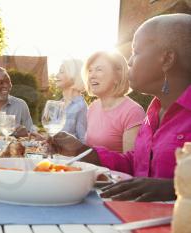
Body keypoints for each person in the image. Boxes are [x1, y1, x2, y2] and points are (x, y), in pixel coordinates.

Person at [48, 13, 191, 202]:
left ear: (167, 59)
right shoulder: (154, 111)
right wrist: (83, 151)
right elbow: (136, 163)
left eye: (136, 52)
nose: (130, 61)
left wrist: (173, 188)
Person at [83, 51, 145, 153]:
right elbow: (89, 151)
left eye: (99, 69)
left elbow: (131, 163)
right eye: (90, 70)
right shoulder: (93, 107)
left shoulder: (133, 111)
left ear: (117, 77)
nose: (91, 76)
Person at [55, 58, 87, 143]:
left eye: (61, 71)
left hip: (69, 156)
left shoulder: (81, 106)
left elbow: (83, 142)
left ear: (74, 76)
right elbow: (54, 135)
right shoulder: (59, 104)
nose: (56, 75)